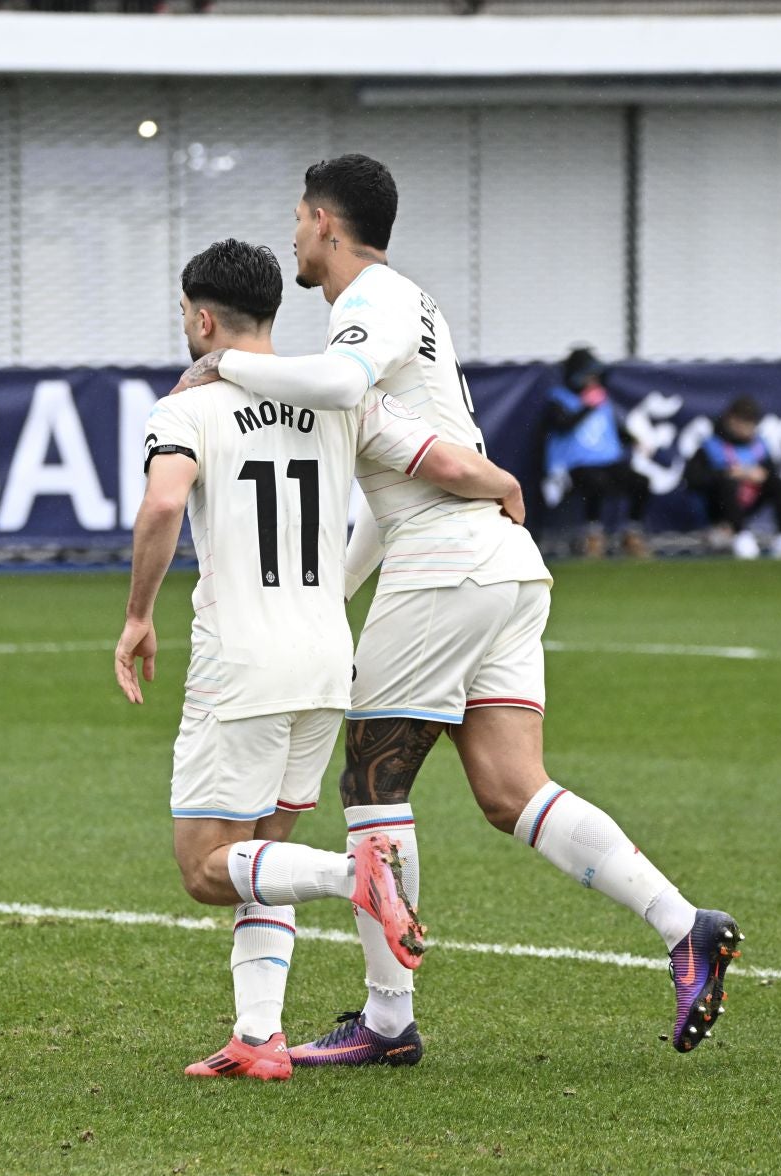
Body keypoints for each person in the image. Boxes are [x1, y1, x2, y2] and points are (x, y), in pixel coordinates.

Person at [175, 155, 741, 1062]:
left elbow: (344, 388)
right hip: (493, 559)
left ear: (325, 222)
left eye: (296, 219)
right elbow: (406, 463)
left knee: (371, 785)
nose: (292, 237)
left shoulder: (371, 302)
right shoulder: (408, 306)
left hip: (446, 563)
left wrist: (223, 364)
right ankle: (686, 925)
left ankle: (389, 1022)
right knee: (513, 790)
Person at [118, 237, 527, 1079]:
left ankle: (355, 876)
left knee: (205, 867)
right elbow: (446, 461)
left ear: (202, 318)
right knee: (266, 851)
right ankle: (258, 1038)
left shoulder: (190, 403)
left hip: (243, 658)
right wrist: (501, 486)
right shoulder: (341, 399)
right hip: (324, 657)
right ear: (272, 310)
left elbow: (164, 502)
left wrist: (136, 617)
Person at [540, 347, 652, 559]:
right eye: (588, 375)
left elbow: (613, 429)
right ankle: (593, 534)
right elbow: (563, 425)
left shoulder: (602, 400)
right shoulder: (558, 399)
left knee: (640, 482)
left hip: (608, 461)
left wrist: (634, 439)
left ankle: (631, 533)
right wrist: (587, 406)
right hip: (575, 465)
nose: (593, 380)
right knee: (595, 483)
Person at [683, 396, 781, 560]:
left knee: (777, 482)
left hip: (749, 502)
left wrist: (759, 474)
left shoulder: (759, 446)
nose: (748, 429)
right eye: (743, 422)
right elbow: (691, 480)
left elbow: (771, 471)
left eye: (751, 424)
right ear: (731, 420)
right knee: (728, 483)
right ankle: (740, 535)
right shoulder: (710, 447)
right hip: (718, 509)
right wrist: (725, 474)